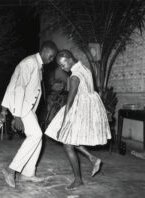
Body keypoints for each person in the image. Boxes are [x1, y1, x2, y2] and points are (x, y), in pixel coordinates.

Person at [45, 50, 111, 190]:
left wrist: (63, 124)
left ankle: (78, 179)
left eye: (63, 65)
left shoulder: (75, 76)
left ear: (69, 59)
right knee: (70, 140)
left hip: (80, 109)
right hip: (89, 106)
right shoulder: (84, 67)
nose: (63, 68)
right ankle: (92, 158)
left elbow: (69, 102)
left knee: (67, 143)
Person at [1, 41, 58, 188]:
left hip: (27, 109)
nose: (51, 60)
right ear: (44, 51)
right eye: (50, 56)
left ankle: (28, 174)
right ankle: (10, 170)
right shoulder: (30, 63)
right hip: (22, 108)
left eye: (53, 57)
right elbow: (18, 88)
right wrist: (17, 116)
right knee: (36, 135)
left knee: (38, 138)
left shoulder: (37, 65)